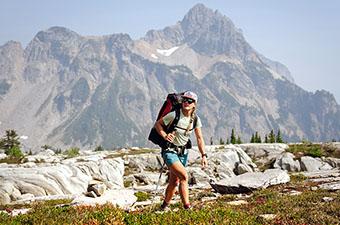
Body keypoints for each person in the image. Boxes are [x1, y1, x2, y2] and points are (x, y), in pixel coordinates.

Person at [155, 91, 208, 210]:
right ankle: (187, 208)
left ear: (194, 104)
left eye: (189, 101)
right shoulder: (174, 115)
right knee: (184, 176)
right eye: (184, 100)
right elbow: (158, 125)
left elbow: (199, 138)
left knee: (174, 181)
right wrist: (164, 135)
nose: (186, 103)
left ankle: (164, 206)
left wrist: (204, 155)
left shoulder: (195, 119)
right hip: (169, 151)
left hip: (183, 153)